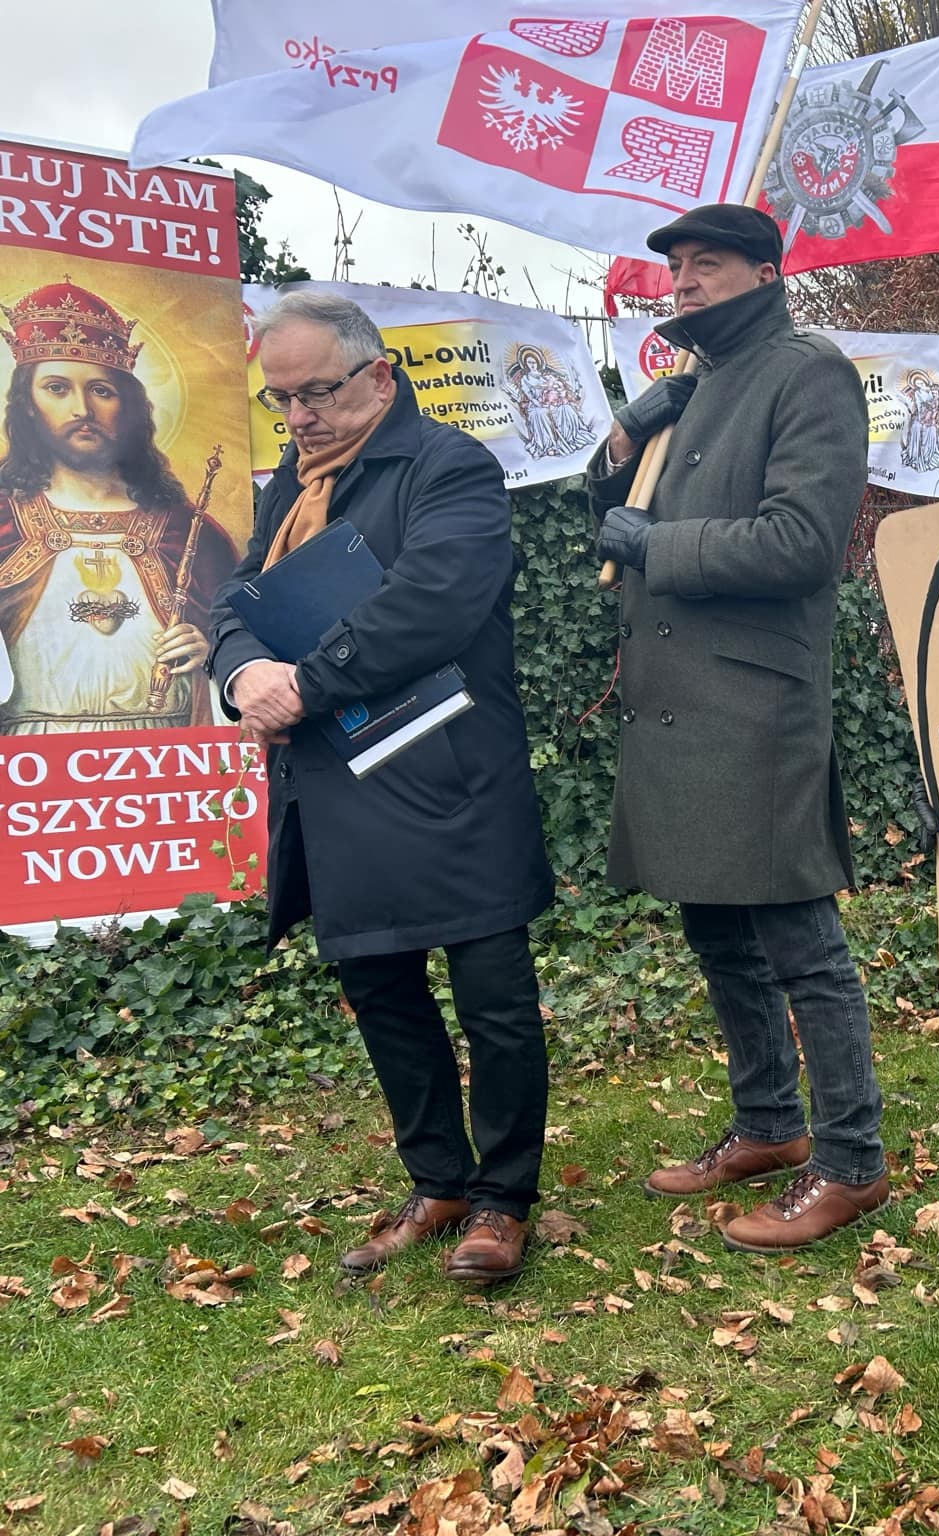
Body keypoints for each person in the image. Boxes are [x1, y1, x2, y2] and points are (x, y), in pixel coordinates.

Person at [209, 291, 554, 1287]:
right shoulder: (288, 486)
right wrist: (241, 674)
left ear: (378, 376)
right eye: (281, 400)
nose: (300, 417)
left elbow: (436, 603)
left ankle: (503, 1199)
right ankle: (438, 1180)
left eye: (316, 393)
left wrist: (303, 683)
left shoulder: (450, 466)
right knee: (382, 991)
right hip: (335, 785)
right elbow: (240, 599)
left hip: (447, 778)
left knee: (494, 1001)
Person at [586, 204, 887, 1253]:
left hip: (754, 705)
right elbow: (607, 501)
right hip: (675, 702)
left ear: (765, 271)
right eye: (674, 272)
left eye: (704, 267)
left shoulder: (807, 372)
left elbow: (802, 542)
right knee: (715, 929)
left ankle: (851, 1160)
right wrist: (638, 422)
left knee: (800, 940)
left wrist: (657, 544)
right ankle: (768, 1126)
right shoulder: (696, 386)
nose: (682, 285)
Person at [0, 279, 237, 732]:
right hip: (31, 766)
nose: (81, 409)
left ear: (126, 404)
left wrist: (212, 652)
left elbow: (247, 653)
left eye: (101, 390)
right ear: (27, 404)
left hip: (166, 762)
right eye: (56, 388)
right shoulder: (4, 523)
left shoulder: (188, 533)